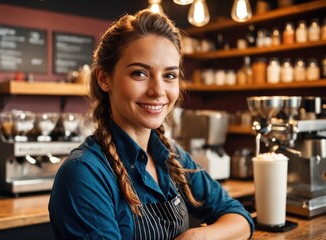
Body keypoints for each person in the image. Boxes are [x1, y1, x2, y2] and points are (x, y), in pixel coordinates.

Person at [49, 9, 255, 240]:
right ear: (104, 78)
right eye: (139, 73)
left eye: (169, 75)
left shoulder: (172, 157)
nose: (158, 91)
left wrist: (199, 237)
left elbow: (239, 218)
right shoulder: (85, 174)